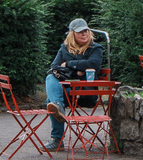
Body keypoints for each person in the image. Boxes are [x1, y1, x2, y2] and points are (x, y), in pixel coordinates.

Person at [43, 18, 104, 150]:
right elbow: (54, 66)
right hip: (68, 92)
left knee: (51, 99)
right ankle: (57, 106)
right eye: (80, 32)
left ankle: (57, 140)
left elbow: (93, 64)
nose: (84, 34)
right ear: (72, 34)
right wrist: (78, 70)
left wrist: (69, 65)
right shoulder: (64, 48)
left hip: (85, 93)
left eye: (86, 31)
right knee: (50, 77)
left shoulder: (95, 48)